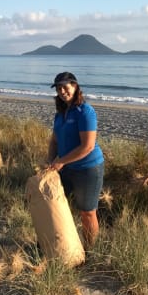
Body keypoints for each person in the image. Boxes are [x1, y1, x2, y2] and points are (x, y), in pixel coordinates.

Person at [46, 72, 105, 248]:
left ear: (75, 86)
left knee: (87, 212)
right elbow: (55, 140)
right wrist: (50, 161)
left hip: (88, 169)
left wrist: (61, 161)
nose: (62, 91)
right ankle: (64, 244)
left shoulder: (85, 111)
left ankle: (90, 249)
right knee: (60, 206)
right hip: (66, 168)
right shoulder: (60, 113)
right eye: (58, 88)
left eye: (66, 86)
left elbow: (87, 146)